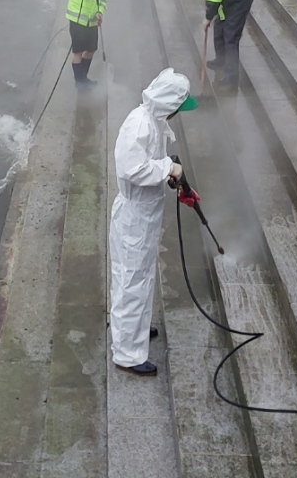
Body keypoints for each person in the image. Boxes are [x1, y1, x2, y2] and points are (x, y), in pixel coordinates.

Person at [109, 68, 198, 375]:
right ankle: (127, 354)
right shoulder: (139, 125)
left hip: (144, 214)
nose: (176, 114)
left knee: (140, 276)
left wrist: (173, 176)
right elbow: (132, 168)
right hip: (134, 217)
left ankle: (134, 328)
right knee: (132, 279)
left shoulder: (154, 121)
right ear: (166, 103)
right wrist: (168, 169)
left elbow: (156, 161)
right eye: (176, 108)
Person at [182, 0, 254, 91]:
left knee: (231, 38)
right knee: (219, 30)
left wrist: (207, 18)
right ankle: (220, 60)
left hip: (239, 1)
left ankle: (231, 76)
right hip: (228, 0)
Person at [64, 0, 123, 86]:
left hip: (91, 21)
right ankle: (79, 82)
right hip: (77, 19)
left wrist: (99, 13)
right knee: (78, 52)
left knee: (91, 49)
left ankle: (83, 77)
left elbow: (102, 1)